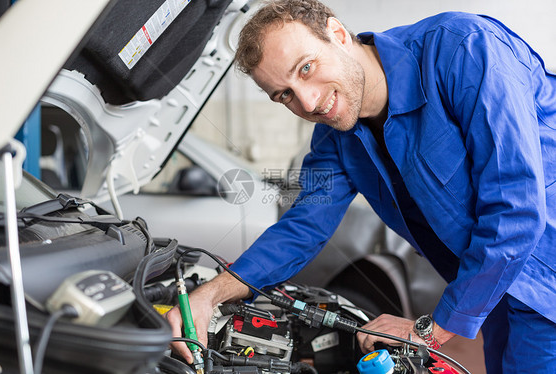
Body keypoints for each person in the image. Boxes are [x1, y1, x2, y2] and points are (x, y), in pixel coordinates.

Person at [166, 0, 556, 372]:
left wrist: (430, 330)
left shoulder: (464, 49)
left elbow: (516, 210)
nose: (309, 102)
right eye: (284, 94)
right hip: (497, 290)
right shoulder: (334, 138)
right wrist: (209, 295)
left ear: (337, 33)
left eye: (305, 68)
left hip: (545, 279)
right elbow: (304, 226)